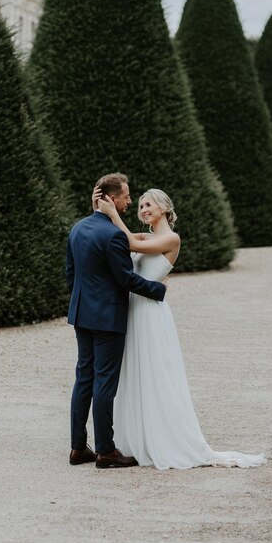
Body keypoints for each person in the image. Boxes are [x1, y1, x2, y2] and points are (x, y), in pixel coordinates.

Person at [94, 186, 266, 470]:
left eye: (148, 204)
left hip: (150, 313)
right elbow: (124, 241)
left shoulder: (171, 238)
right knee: (133, 374)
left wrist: (113, 212)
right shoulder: (146, 235)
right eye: (140, 206)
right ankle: (137, 439)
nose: (143, 209)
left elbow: (131, 246)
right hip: (132, 312)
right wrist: (100, 211)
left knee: (155, 374)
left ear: (163, 207)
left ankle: (163, 439)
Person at [66, 173, 166, 469]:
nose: (129, 201)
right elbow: (126, 278)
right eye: (125, 196)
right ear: (111, 198)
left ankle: (76, 448)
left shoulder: (78, 228)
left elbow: (71, 275)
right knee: (105, 382)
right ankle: (106, 452)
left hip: (82, 314)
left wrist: (80, 304)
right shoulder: (112, 235)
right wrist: (158, 289)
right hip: (108, 317)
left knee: (84, 377)